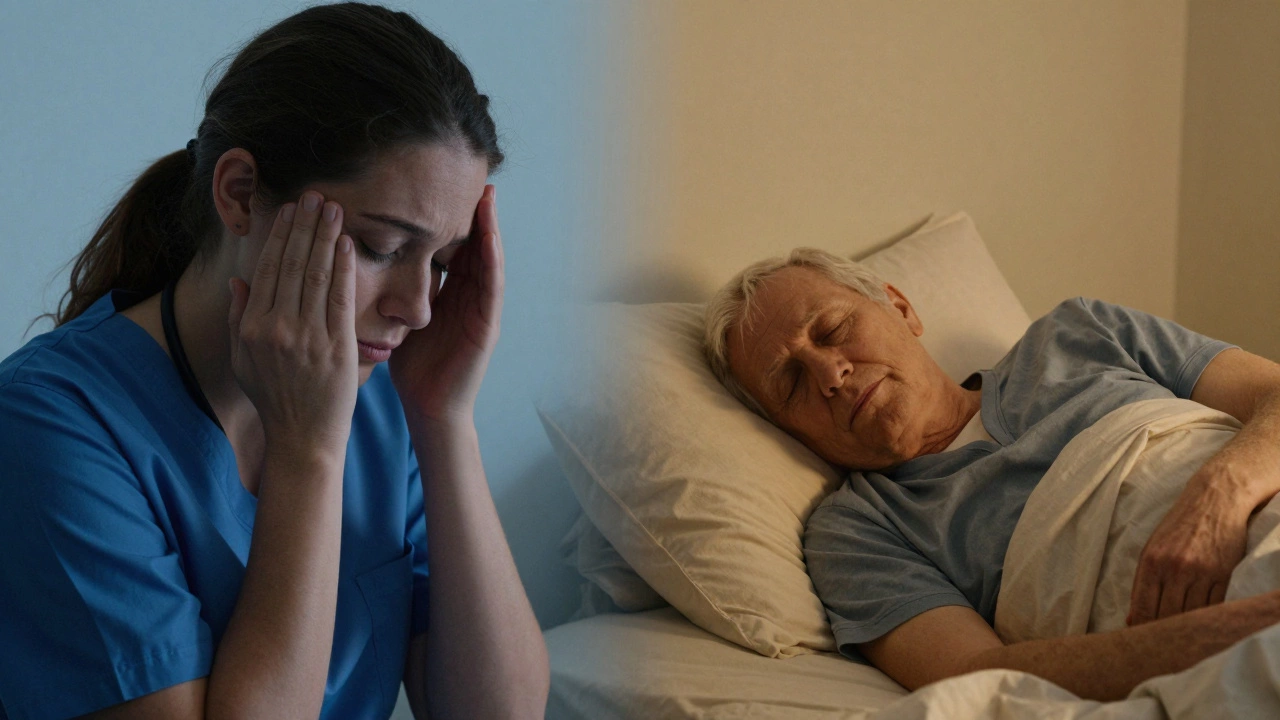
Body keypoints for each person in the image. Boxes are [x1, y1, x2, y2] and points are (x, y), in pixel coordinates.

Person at [0, 4, 548, 719]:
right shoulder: (44, 430)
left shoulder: (387, 405)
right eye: (381, 248)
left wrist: (444, 420)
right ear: (239, 194)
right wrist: (307, 454)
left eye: (441, 262)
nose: (418, 308)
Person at [702, 246, 1280, 702]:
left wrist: (1219, 495)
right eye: (791, 382)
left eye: (831, 330)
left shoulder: (1079, 332)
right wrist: (1234, 633)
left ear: (900, 308)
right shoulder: (857, 531)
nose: (830, 374)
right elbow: (978, 678)